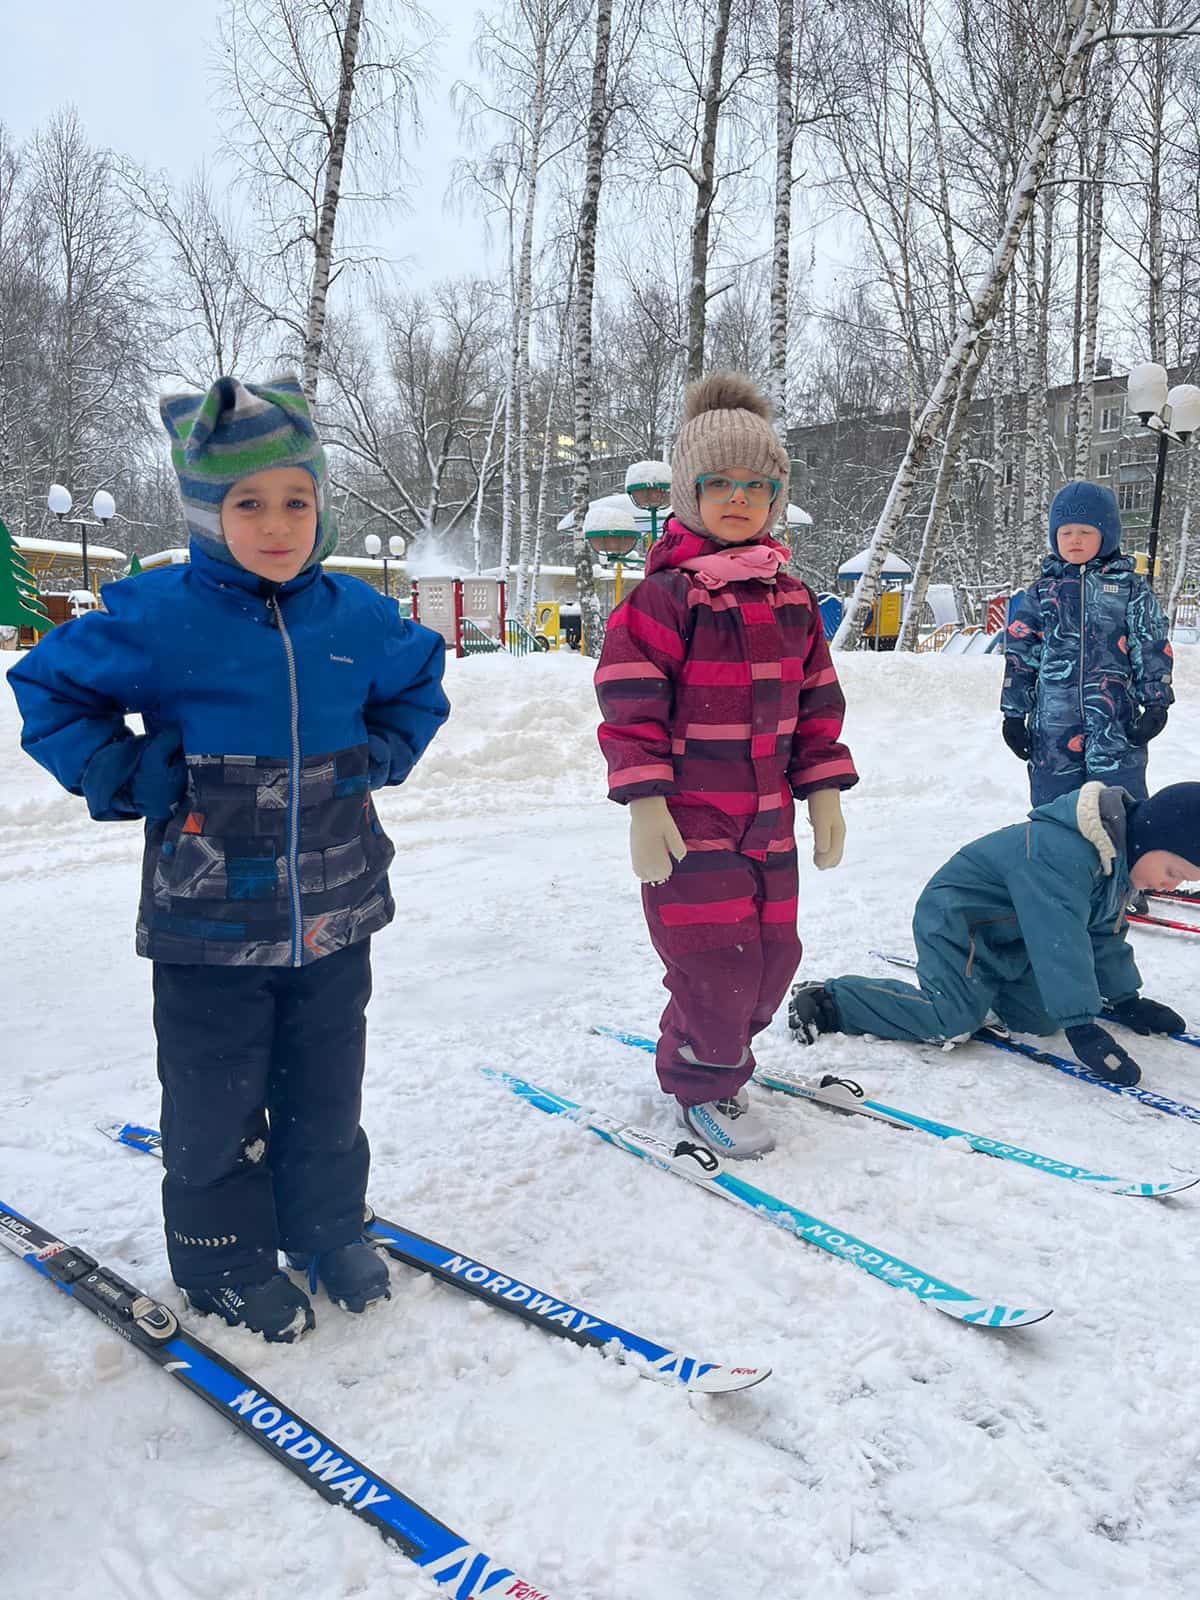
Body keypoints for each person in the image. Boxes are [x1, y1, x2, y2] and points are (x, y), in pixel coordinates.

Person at [9, 375, 449, 1342]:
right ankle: (224, 1259)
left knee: (327, 1086)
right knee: (214, 1099)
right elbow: (46, 688)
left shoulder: (356, 618)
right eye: (248, 502)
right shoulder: (159, 615)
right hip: (207, 919)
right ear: (208, 513)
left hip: (336, 907)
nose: (278, 523)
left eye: (297, 499)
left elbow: (420, 681)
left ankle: (325, 1226)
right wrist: (127, 772)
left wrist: (378, 756)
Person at [595, 372, 858, 1159]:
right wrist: (645, 804)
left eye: (758, 486)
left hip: (768, 822)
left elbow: (817, 703)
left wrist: (824, 796)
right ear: (688, 494)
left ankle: (721, 1056)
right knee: (717, 965)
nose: (739, 499)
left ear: (776, 499)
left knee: (774, 959)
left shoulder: (793, 599)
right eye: (720, 484)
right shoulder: (664, 600)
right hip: (691, 822)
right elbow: (629, 706)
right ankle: (702, 1081)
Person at [789, 781, 1199, 1086]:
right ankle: (832, 999)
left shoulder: (1115, 865)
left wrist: (1127, 1000)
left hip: (1012, 938)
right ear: (1150, 839)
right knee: (950, 1020)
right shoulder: (1061, 851)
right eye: (1173, 873)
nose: (1170, 886)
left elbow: (1102, 934)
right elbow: (1060, 939)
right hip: (958, 922)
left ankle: (986, 988)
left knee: (1038, 1020)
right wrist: (1082, 1026)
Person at [1001, 479, 1173, 807]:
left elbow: (1151, 645)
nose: (1075, 540)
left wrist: (1155, 704)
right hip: (1053, 734)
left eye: (1085, 532)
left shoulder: (1130, 589)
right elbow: (1021, 654)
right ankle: (1060, 858)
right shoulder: (1042, 592)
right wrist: (1013, 714)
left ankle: (1123, 860)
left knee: (1122, 811)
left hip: (1116, 730)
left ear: (1106, 535)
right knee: (1055, 814)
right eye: (1065, 533)